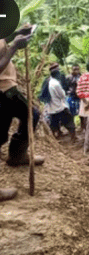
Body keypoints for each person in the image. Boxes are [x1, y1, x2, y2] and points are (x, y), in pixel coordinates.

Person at [0, 26, 44, 171]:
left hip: (7, 89)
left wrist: (15, 34)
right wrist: (13, 48)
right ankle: (16, 156)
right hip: (3, 90)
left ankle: (16, 155)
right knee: (31, 114)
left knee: (30, 114)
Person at [42, 62, 75, 139]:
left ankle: (57, 135)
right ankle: (72, 136)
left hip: (52, 107)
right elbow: (62, 94)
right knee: (68, 120)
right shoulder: (55, 82)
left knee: (54, 122)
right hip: (59, 105)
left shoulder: (48, 81)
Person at [65, 64, 82, 129]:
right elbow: (66, 87)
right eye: (75, 69)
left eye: (77, 69)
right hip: (71, 96)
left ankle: (82, 127)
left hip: (79, 97)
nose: (76, 71)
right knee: (71, 113)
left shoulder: (80, 77)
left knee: (81, 113)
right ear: (72, 70)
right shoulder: (68, 77)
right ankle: (73, 127)